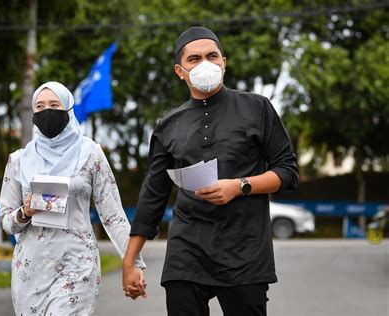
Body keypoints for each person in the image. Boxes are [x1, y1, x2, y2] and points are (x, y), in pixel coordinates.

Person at [122, 27, 299, 315]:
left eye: (212, 56)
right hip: (186, 251)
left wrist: (240, 185)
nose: (205, 63)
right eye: (194, 59)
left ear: (224, 62)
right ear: (180, 71)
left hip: (245, 251)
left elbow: (288, 172)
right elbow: (153, 196)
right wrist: (129, 261)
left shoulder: (257, 108)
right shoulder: (169, 125)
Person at [0, 81, 146, 315]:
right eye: (39, 106)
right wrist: (24, 212)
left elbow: (113, 215)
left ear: (68, 109)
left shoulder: (90, 153)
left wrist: (133, 263)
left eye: (54, 104)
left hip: (77, 264)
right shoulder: (18, 160)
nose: (47, 111)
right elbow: (7, 221)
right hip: (30, 269)